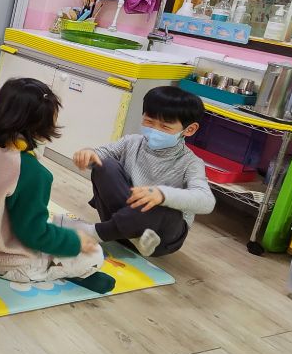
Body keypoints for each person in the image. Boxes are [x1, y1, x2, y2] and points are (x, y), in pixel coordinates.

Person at [0, 78, 115, 294]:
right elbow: (34, 234)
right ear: (41, 126)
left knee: (61, 227)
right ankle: (70, 271)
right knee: (93, 253)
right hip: (8, 260)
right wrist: (76, 242)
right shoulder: (32, 172)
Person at [71, 86, 214, 257]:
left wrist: (163, 195)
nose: (154, 129)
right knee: (105, 165)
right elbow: (101, 155)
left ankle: (94, 233)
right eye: (149, 121)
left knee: (164, 204)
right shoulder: (132, 142)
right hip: (124, 222)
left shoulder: (191, 163)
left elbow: (206, 201)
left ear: (189, 129)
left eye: (165, 126)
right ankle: (132, 235)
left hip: (158, 239)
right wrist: (88, 154)